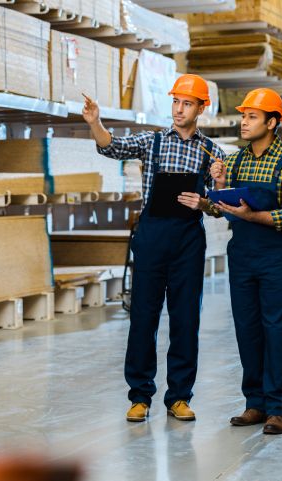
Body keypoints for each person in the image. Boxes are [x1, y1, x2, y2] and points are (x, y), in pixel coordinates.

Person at [81, 74, 226, 422]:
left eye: (186, 103)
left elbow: (220, 205)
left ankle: (179, 397)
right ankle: (140, 396)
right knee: (144, 318)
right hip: (152, 237)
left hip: (188, 240)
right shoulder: (153, 142)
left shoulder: (212, 152)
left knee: (185, 320)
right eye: (175, 102)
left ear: (201, 108)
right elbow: (111, 147)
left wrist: (210, 194)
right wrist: (95, 122)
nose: (178, 109)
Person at [210, 88, 282, 435]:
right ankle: (255, 403)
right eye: (243, 115)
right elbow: (221, 207)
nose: (244, 121)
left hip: (276, 259)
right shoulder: (236, 161)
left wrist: (251, 215)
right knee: (248, 330)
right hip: (243, 257)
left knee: (279, 332)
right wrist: (218, 188)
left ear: (272, 122)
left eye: (252, 116)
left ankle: (279, 408)